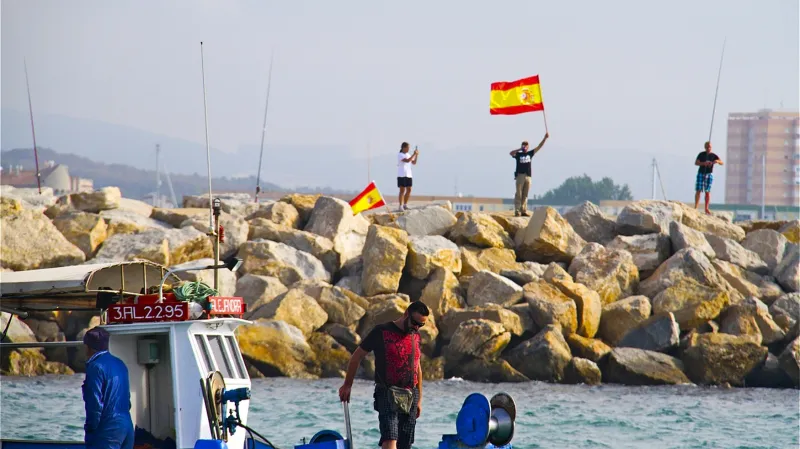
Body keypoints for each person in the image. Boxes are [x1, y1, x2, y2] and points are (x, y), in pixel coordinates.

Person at [339, 301, 430, 449]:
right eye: (414, 323)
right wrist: (347, 385)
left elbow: (417, 367)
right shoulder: (381, 331)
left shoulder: (416, 336)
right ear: (406, 314)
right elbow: (357, 356)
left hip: (410, 395)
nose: (416, 327)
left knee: (405, 444)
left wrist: (419, 399)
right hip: (387, 392)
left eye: (421, 325)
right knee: (390, 438)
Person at [82, 327, 134, 449]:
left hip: (108, 429)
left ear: (88, 347)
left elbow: (94, 403)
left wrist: (90, 429)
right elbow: (127, 399)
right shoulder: (120, 363)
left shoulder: (95, 367)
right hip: (127, 425)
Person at [509, 133, 549, 216]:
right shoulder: (518, 154)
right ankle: (517, 210)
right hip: (520, 175)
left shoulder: (530, 153)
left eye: (526, 146)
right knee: (519, 193)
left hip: (528, 176)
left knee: (525, 194)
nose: (525, 147)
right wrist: (520, 149)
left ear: (528, 147)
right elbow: (511, 153)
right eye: (523, 145)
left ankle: (523, 210)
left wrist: (545, 138)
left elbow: (539, 146)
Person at [694, 141, 723, 215]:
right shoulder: (701, 154)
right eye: (707, 147)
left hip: (709, 174)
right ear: (705, 147)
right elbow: (696, 162)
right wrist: (704, 163)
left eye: (709, 147)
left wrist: (717, 161)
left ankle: (706, 208)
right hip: (701, 173)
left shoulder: (713, 155)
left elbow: (721, 162)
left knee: (707, 191)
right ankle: (696, 206)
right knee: (698, 190)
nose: (708, 148)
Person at [397, 142, 419, 211]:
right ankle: (400, 206)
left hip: (409, 175)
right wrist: (414, 154)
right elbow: (407, 160)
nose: (409, 149)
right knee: (402, 190)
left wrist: (416, 155)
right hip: (402, 175)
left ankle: (405, 204)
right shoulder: (400, 154)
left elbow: (414, 162)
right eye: (408, 147)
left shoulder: (408, 154)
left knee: (409, 190)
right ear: (404, 147)